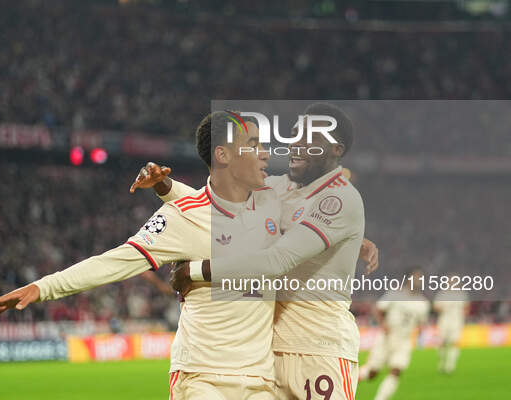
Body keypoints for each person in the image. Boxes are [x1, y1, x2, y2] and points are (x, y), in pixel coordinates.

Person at [0, 112, 284, 399]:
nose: (265, 153)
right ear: (223, 155)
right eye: (253, 146)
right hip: (203, 377)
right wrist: (43, 287)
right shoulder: (181, 217)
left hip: (261, 380)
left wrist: (167, 186)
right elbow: (115, 261)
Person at [132, 103, 379, 400]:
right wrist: (165, 187)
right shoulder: (275, 188)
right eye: (296, 134)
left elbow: (278, 259)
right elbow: (215, 200)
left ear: (335, 150)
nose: (297, 143)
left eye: (310, 138)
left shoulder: (341, 199)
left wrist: (194, 271)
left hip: (317, 348)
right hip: (269, 352)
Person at [359, 268, 430, 400]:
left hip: (404, 341)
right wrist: (383, 324)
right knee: (372, 372)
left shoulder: (423, 303)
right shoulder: (395, 295)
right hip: (387, 337)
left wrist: (420, 334)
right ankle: (346, 385)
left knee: (396, 370)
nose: (418, 280)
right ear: (408, 279)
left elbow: (421, 323)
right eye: (415, 277)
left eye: (420, 278)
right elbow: (379, 309)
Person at [433, 276, 469, 374]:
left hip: (457, 321)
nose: (452, 283)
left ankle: (450, 366)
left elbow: (466, 308)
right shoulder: (442, 294)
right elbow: (435, 307)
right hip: (444, 320)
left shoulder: (462, 294)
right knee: (442, 343)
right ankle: (441, 363)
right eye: (450, 281)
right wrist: (442, 309)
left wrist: (462, 314)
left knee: (455, 343)